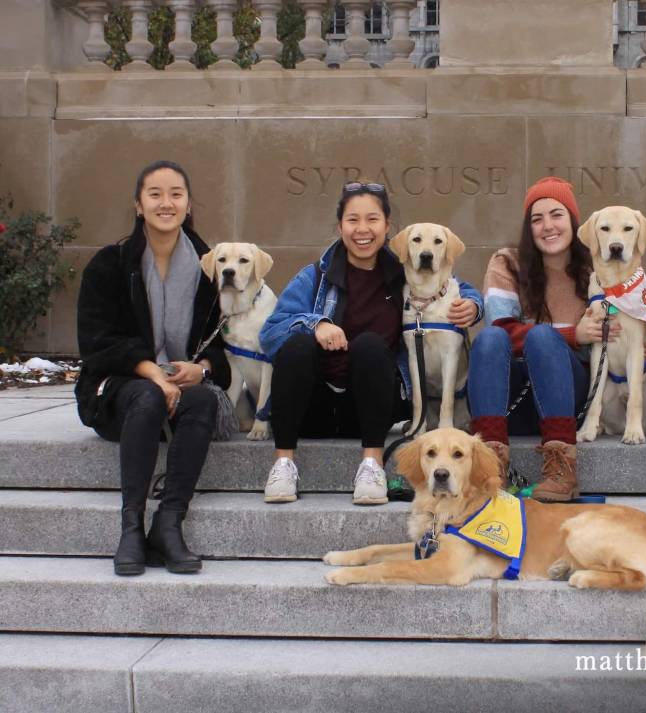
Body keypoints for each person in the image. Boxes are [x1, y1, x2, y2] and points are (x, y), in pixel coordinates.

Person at [259, 181, 483, 506]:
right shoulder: (315, 277)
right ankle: (283, 464)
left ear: (387, 226)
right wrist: (315, 323)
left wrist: (475, 304)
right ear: (340, 227)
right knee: (296, 345)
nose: (362, 229)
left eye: (372, 219)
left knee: (369, 345)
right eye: (353, 220)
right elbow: (270, 335)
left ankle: (372, 466)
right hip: (313, 407)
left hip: (371, 410)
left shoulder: (403, 272)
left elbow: (450, 285)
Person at [468, 177, 646, 501]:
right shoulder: (506, 262)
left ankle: (561, 468)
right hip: (509, 399)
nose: (547, 226)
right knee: (490, 338)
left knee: (542, 339)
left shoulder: (599, 265)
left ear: (574, 221)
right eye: (537, 219)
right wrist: (570, 335)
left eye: (557, 215)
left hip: (565, 400)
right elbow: (501, 328)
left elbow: (633, 331)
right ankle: (490, 465)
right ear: (528, 227)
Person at [76, 160, 231, 577]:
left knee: (201, 401)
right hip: (122, 388)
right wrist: (151, 372)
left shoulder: (209, 266)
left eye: (176, 194)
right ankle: (131, 528)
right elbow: (96, 345)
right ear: (139, 205)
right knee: (146, 395)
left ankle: (168, 523)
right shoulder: (110, 264)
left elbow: (224, 343)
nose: (167, 203)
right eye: (155, 194)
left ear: (189, 204)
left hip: (184, 384)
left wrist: (201, 368)